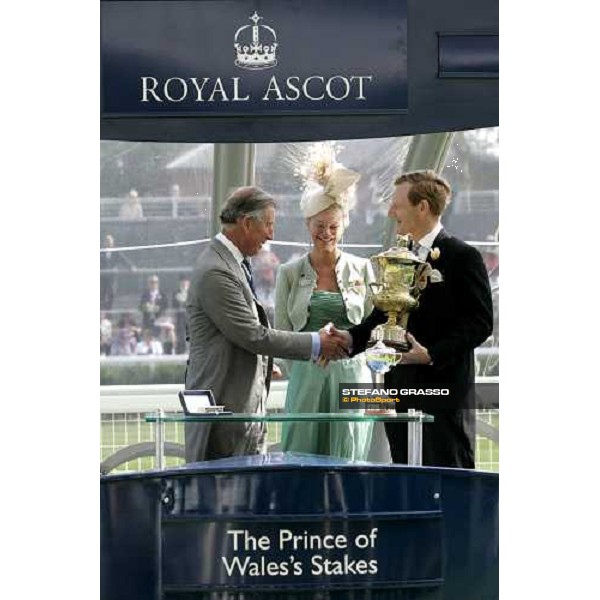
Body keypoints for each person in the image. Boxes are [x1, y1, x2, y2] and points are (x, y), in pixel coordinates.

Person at [333, 170, 493, 468]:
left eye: (397, 204)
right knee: (407, 485)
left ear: (422, 207)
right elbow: (383, 316)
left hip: (442, 398)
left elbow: (480, 322)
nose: (391, 211)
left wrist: (431, 355)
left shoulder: (462, 255)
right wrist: (349, 339)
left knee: (446, 484)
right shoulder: (399, 256)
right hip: (398, 395)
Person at [185, 186, 350, 462]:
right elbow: (252, 334)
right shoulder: (217, 270)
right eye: (269, 225)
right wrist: (317, 342)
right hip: (225, 414)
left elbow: (239, 336)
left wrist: (264, 363)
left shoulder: (231, 263)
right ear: (247, 223)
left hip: (240, 410)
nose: (271, 235)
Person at [275, 155, 374, 460]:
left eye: (333, 226)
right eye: (320, 225)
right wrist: (305, 365)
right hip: (306, 377)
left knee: (350, 455)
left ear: (343, 226)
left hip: (354, 377)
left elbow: (376, 330)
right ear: (308, 225)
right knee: (302, 455)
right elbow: (280, 334)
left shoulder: (364, 268)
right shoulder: (289, 273)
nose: (326, 233)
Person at [100, 234, 135, 311]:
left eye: (110, 241)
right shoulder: (100, 252)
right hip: (102, 278)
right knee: (101, 296)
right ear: (104, 243)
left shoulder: (116, 252)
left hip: (112, 278)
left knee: (111, 295)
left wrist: (131, 267)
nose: (108, 243)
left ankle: (109, 313)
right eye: (107, 241)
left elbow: (124, 260)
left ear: (113, 243)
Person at [172, 274, 190, 354]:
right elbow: (173, 305)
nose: (184, 283)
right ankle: (181, 350)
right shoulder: (175, 292)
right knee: (181, 334)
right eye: (182, 281)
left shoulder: (192, 292)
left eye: (185, 282)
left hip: (190, 317)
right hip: (180, 318)